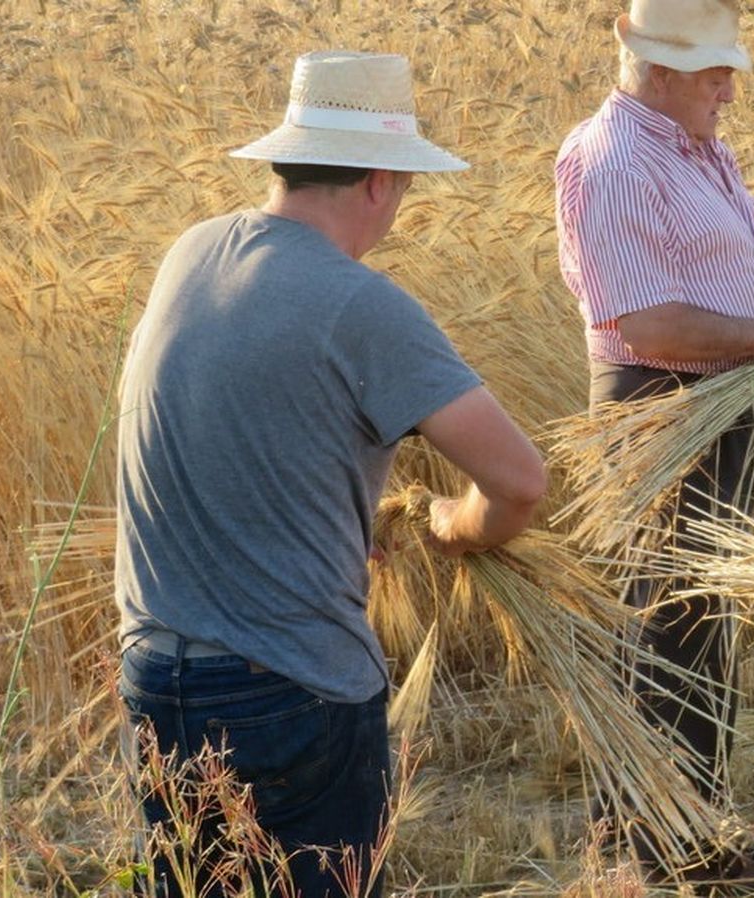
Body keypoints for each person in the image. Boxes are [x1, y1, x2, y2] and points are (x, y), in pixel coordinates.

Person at [115, 51, 547, 898]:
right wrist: (454, 528)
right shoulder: (361, 305)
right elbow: (518, 481)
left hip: (154, 678)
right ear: (381, 181)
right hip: (289, 693)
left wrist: (330, 527)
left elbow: (229, 433)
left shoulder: (192, 253)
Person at [554, 0, 754, 884]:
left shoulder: (694, 147)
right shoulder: (613, 161)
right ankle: (668, 854)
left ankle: (674, 835)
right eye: (717, 74)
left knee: (701, 619)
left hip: (712, 405)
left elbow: (708, 280)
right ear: (661, 69)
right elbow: (645, 322)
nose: (730, 90)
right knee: (666, 625)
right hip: (659, 412)